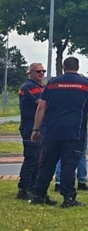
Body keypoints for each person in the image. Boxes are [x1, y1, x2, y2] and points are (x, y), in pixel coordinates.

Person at [28, 57, 88, 208]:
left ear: (63, 67)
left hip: (52, 132)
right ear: (78, 67)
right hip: (75, 132)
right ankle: (68, 198)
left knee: (47, 164)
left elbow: (41, 107)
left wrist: (35, 129)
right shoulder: (86, 84)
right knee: (69, 164)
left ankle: (39, 194)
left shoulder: (52, 83)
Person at [15, 63, 46, 200]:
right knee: (32, 158)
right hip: (30, 127)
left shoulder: (40, 86)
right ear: (30, 72)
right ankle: (24, 189)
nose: (41, 73)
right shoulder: (29, 87)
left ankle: (32, 187)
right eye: (38, 71)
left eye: (43, 71)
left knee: (37, 158)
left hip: (37, 126)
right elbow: (42, 104)